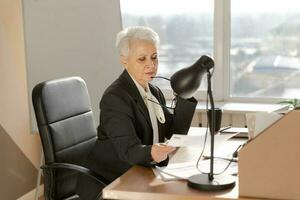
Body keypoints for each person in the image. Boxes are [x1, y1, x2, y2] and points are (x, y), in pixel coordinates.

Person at [79, 26, 197, 199]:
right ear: (124, 61)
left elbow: (173, 133)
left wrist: (186, 94)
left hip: (141, 171)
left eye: (154, 57)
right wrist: (153, 152)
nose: (151, 64)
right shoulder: (115, 98)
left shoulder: (154, 92)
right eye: (142, 59)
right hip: (111, 180)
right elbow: (129, 151)